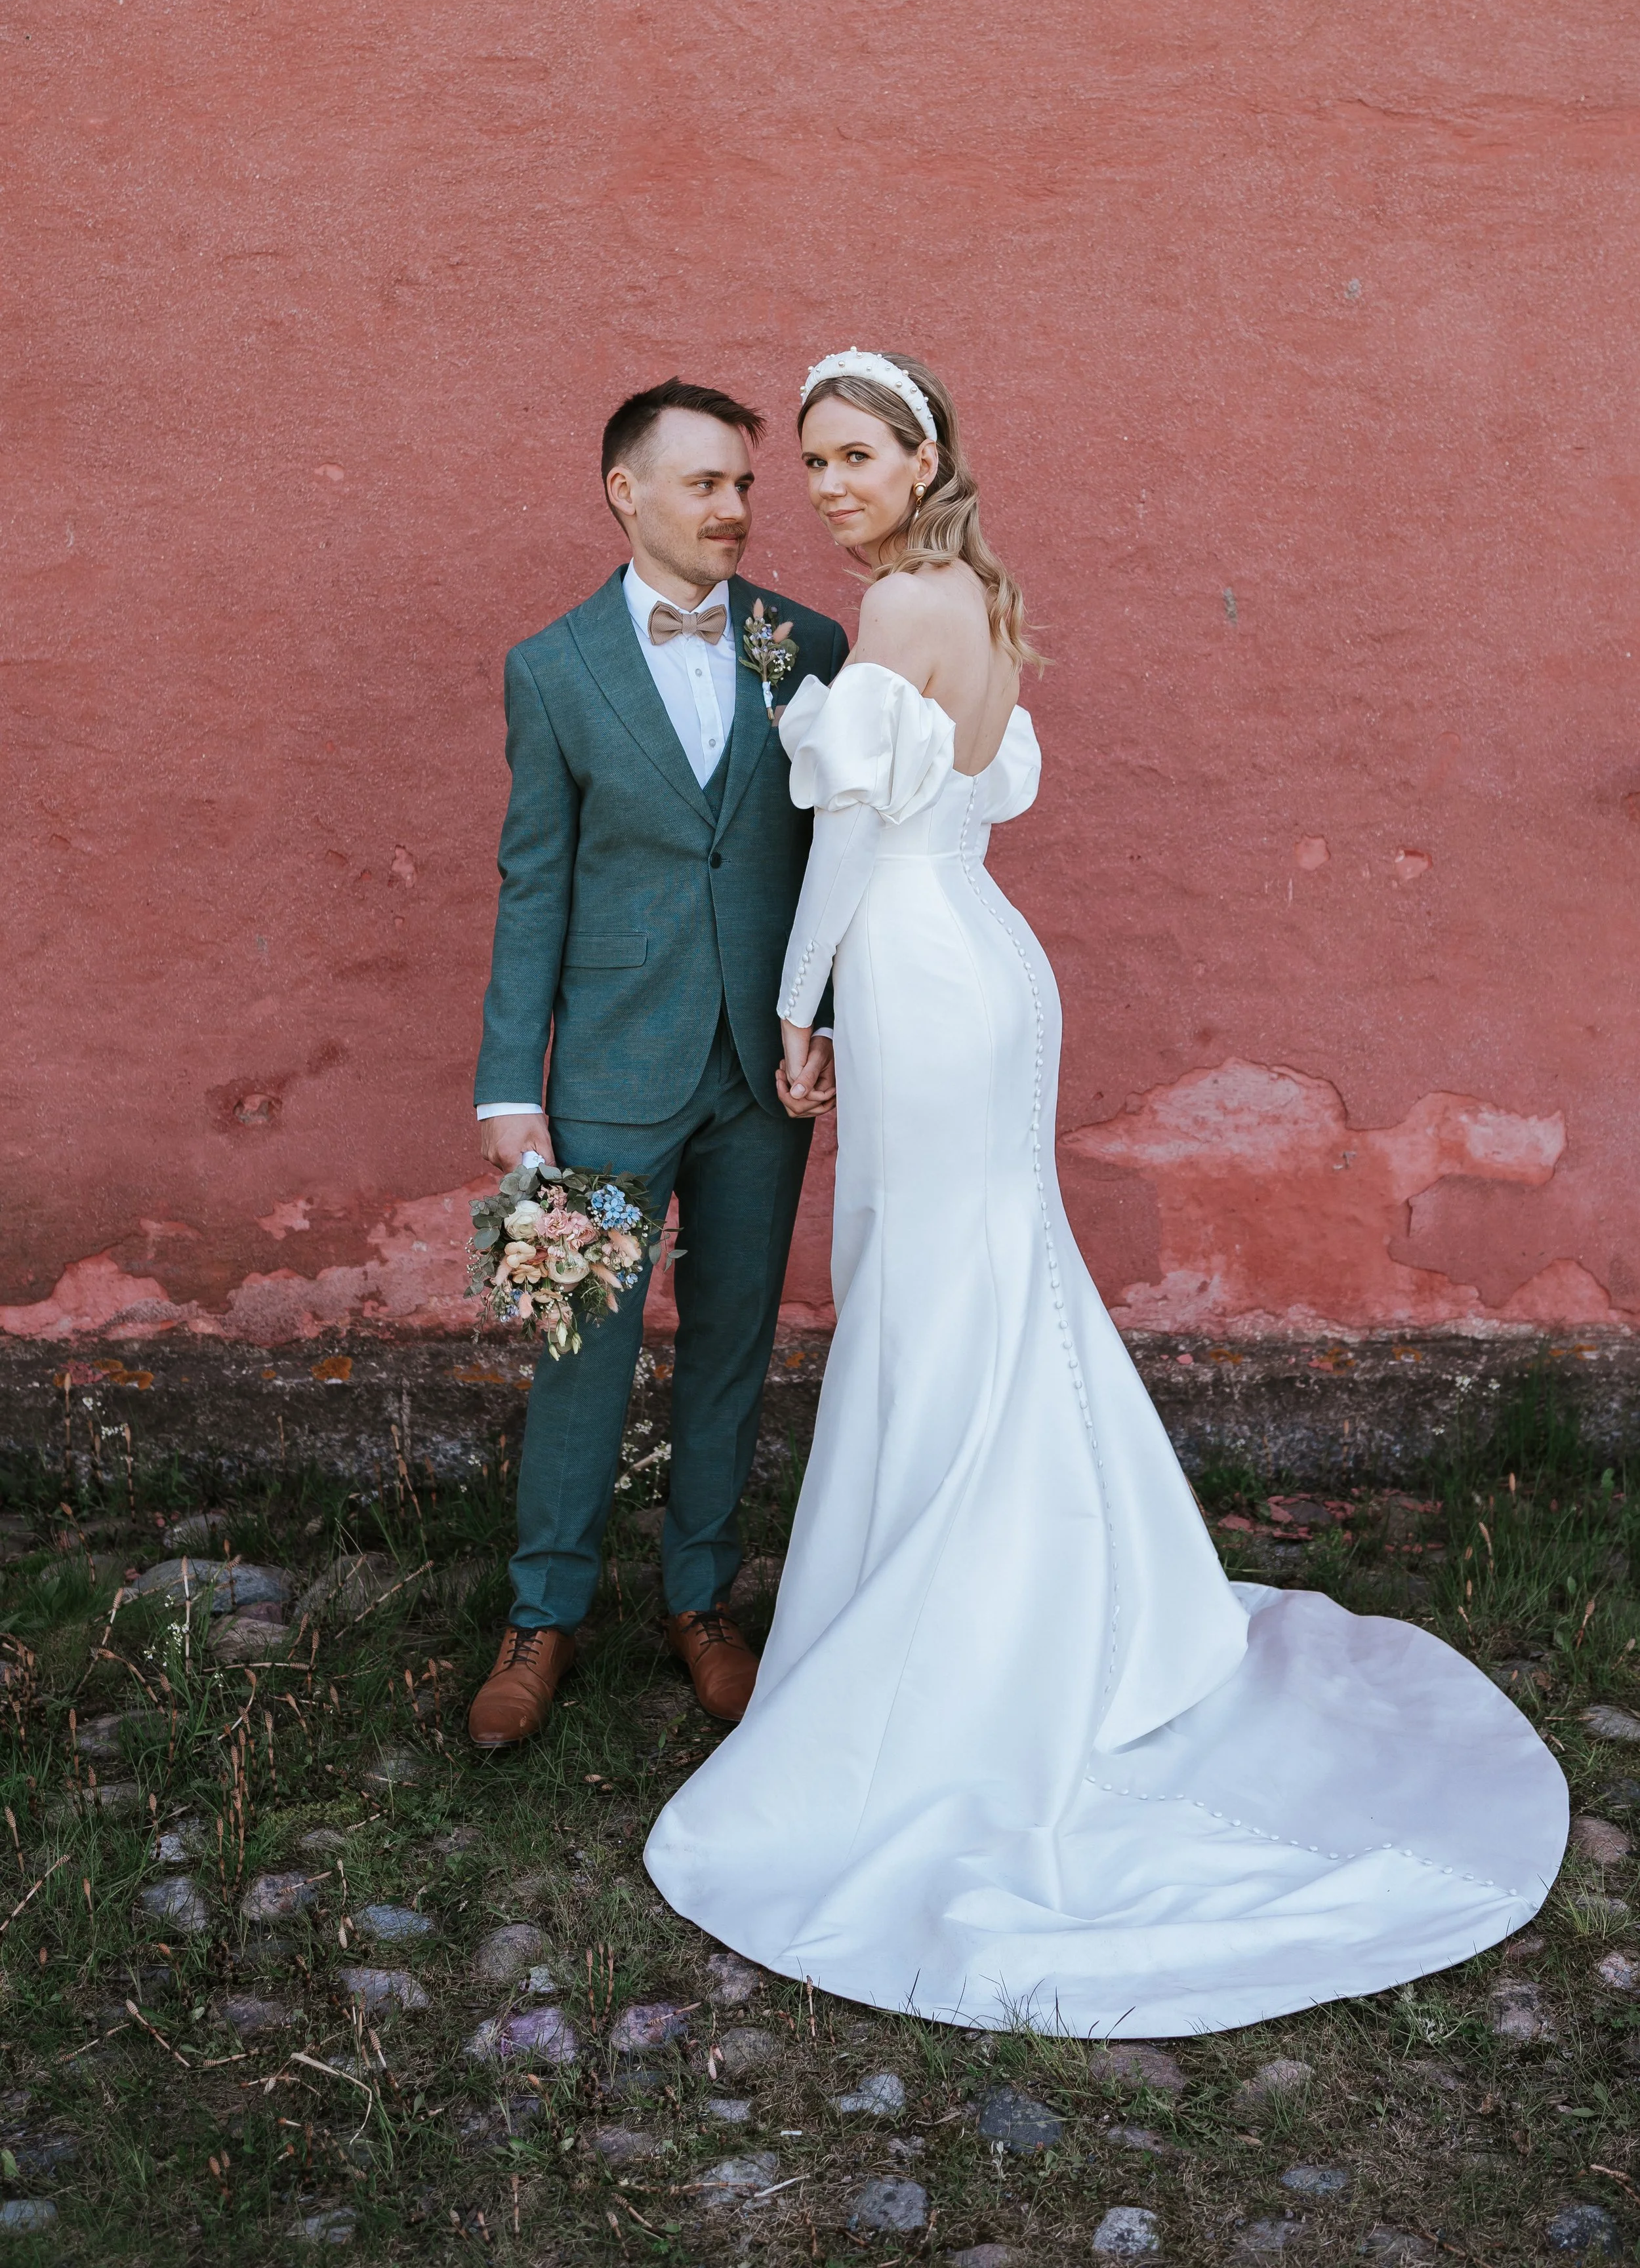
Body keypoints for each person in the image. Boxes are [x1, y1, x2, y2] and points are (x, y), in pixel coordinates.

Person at [644, 347, 1569, 2036]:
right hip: (985, 957)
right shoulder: (977, 602)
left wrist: (791, 1008)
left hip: (919, 970)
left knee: (936, 1279)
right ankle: (1046, 1589)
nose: (828, 488)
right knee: (988, 1271)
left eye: (857, 457)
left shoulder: (899, 609)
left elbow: (846, 838)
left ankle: (957, 1625)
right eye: (814, 463)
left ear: (923, 461)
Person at [468, 378, 848, 1750]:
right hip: (609, 1068)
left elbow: (836, 857)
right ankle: (543, 1615)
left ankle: (701, 1600)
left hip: (761, 1071)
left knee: (732, 1340)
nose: (735, 508)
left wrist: (827, 1022)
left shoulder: (804, 644)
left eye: (745, 484)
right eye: (706, 484)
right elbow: (534, 883)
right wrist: (509, 1087)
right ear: (626, 492)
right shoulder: (552, 668)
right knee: (583, 1341)